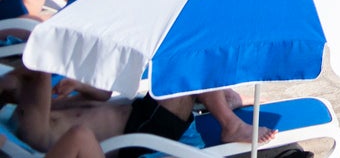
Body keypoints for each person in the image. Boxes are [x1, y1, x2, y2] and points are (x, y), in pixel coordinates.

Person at [4, 65, 275, 156]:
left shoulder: (45, 107)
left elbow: (103, 96)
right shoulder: (33, 128)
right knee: (186, 70)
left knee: (184, 69)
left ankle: (223, 102)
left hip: (137, 113)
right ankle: (228, 121)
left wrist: (78, 85)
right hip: (139, 132)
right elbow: (36, 71)